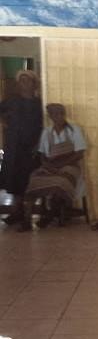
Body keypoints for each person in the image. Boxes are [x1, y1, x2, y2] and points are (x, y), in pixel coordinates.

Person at [21, 103, 86, 230]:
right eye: (54, 114)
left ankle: (51, 214)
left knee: (60, 182)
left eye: (60, 113)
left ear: (64, 114)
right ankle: (27, 220)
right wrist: (47, 165)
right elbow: (42, 154)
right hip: (51, 165)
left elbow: (80, 153)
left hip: (70, 165)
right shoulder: (47, 132)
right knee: (34, 179)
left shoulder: (74, 130)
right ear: (50, 116)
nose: (58, 116)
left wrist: (62, 163)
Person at [0, 69, 43, 225]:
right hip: (13, 146)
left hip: (31, 147)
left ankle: (26, 213)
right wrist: (5, 123)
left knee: (28, 179)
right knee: (13, 179)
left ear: (34, 84)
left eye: (28, 80)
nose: (24, 84)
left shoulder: (38, 104)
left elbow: (43, 125)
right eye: (21, 81)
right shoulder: (12, 101)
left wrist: (38, 145)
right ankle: (16, 211)